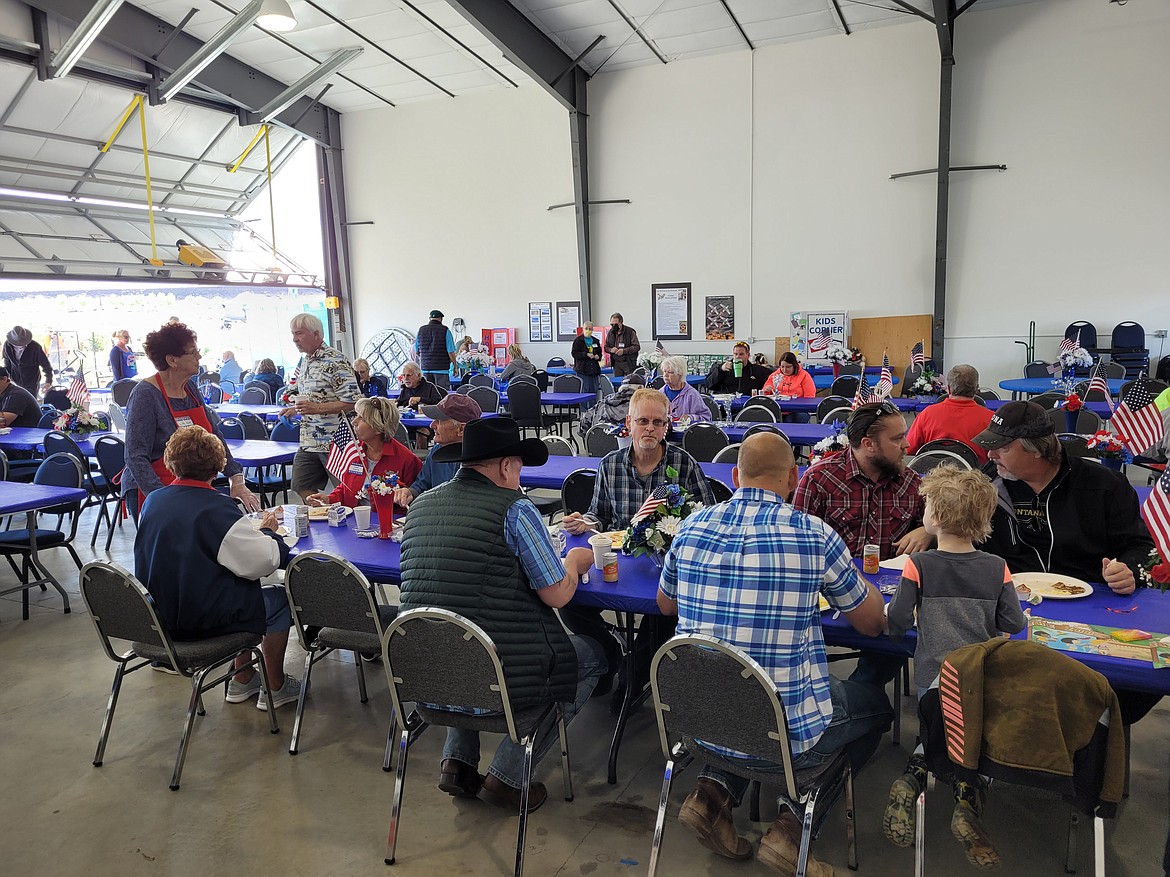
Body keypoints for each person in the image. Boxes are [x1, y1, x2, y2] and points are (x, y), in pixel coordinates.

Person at [659, 433, 892, 875]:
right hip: (782, 733)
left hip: (698, 723)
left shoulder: (690, 526)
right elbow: (869, 623)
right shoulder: (814, 535)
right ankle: (791, 828)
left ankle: (710, 795)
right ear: (793, 478)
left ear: (735, 475)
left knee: (743, 699)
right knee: (875, 710)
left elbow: (665, 605)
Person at [397, 417, 604, 812]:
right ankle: (507, 777)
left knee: (454, 629)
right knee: (590, 655)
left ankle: (456, 762)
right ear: (507, 466)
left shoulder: (422, 503)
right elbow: (557, 595)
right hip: (495, 678)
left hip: (426, 674)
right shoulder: (515, 508)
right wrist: (576, 562)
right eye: (520, 466)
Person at [972, 400, 1159, 724]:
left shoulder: (1104, 486)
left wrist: (1128, 570)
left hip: (1091, 613)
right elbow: (959, 535)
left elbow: (1140, 547)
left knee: (1134, 681)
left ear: (1035, 450)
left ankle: (1090, 742)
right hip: (1009, 614)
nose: (990, 455)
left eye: (1000, 446)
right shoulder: (985, 485)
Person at [883, 464, 1026, 867]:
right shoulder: (997, 567)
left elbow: (897, 620)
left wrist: (899, 628)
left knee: (934, 729)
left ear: (935, 517)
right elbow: (1014, 624)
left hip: (932, 675)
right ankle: (967, 799)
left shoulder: (920, 565)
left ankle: (912, 777)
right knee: (969, 740)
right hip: (977, 679)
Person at [562, 388, 716, 699]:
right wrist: (585, 522)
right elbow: (599, 514)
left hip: (664, 564)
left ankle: (633, 674)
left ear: (666, 426)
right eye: (643, 421)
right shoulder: (610, 464)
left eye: (658, 422)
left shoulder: (683, 464)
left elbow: (709, 518)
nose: (650, 428)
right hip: (619, 561)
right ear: (629, 423)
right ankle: (609, 653)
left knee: (663, 614)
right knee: (569, 600)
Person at [134, 427, 300, 709]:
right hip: (199, 622)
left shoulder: (153, 501)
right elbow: (264, 561)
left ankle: (244, 678)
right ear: (218, 467)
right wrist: (270, 534)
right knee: (279, 598)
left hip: (156, 618)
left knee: (236, 584)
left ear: (170, 462)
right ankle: (276, 685)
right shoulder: (216, 509)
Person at [123, 321, 259, 517]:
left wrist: (236, 478)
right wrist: (161, 499)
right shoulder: (145, 395)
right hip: (152, 490)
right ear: (172, 360)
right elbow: (135, 455)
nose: (199, 356)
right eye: (193, 352)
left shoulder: (190, 389)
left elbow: (214, 436)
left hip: (191, 489)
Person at [793, 401, 931, 559]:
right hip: (836, 580)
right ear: (868, 444)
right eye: (897, 439)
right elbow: (799, 544)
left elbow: (946, 530)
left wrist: (927, 532)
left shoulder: (910, 481)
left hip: (892, 581)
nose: (906, 445)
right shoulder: (818, 480)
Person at [278, 314, 361, 498]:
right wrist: (294, 410)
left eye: (299, 333)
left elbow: (353, 402)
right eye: (293, 334)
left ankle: (346, 521)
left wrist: (315, 409)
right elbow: (311, 398)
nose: (294, 339)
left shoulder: (336, 361)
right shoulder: (305, 361)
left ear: (316, 334)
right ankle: (324, 517)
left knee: (348, 493)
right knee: (300, 485)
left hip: (335, 441)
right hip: (309, 441)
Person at [304, 397, 420, 513]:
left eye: (362, 419)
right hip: (355, 520)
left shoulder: (406, 459)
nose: (354, 422)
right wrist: (329, 499)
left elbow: (415, 499)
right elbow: (346, 487)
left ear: (378, 428)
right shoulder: (355, 451)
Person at [393, 393, 481, 509]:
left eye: (439, 421)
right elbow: (421, 485)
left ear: (461, 429)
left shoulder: (481, 460)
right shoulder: (436, 451)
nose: (431, 425)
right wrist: (410, 493)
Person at [905, 363, 993, 463]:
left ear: (948, 388)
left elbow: (908, 449)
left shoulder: (926, 415)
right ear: (976, 389)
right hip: (975, 477)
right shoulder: (990, 419)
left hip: (933, 476)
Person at [576, 373, 644, 437]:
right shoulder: (643, 408)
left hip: (598, 447)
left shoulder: (601, 404)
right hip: (629, 448)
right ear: (641, 388)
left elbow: (581, 429)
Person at [3, 326, 52, 398]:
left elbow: (46, 365)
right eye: (17, 344)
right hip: (14, 382)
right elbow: (7, 363)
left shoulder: (35, 347)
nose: (20, 347)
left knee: (30, 405)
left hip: (32, 383)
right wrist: (7, 380)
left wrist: (48, 381)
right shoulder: (7, 345)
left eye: (22, 344)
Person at [705, 341, 771, 395]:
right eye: (735, 354)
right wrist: (720, 370)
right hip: (726, 405)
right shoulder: (723, 368)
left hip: (748, 405)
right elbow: (708, 385)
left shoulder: (756, 370)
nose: (737, 357)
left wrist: (769, 386)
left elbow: (775, 376)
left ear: (748, 355)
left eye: (741, 354)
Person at [414, 309, 456, 391]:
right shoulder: (445, 330)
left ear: (430, 319)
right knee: (442, 394)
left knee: (426, 394)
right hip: (441, 369)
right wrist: (455, 366)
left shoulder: (421, 330)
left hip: (425, 369)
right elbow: (450, 351)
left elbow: (417, 351)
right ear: (441, 319)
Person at [660, 355, 711, 422]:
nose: (665, 375)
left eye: (670, 372)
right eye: (664, 371)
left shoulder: (692, 395)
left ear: (680, 374)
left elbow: (706, 418)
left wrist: (690, 417)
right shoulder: (660, 394)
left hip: (686, 432)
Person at [571, 322, 603, 409]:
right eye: (586, 328)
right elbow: (574, 353)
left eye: (590, 329)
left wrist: (597, 356)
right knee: (584, 391)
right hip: (583, 370)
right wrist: (586, 355)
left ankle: (593, 411)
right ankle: (584, 412)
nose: (588, 330)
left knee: (594, 391)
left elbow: (600, 353)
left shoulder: (595, 341)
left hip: (594, 370)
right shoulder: (578, 341)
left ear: (592, 330)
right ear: (583, 329)